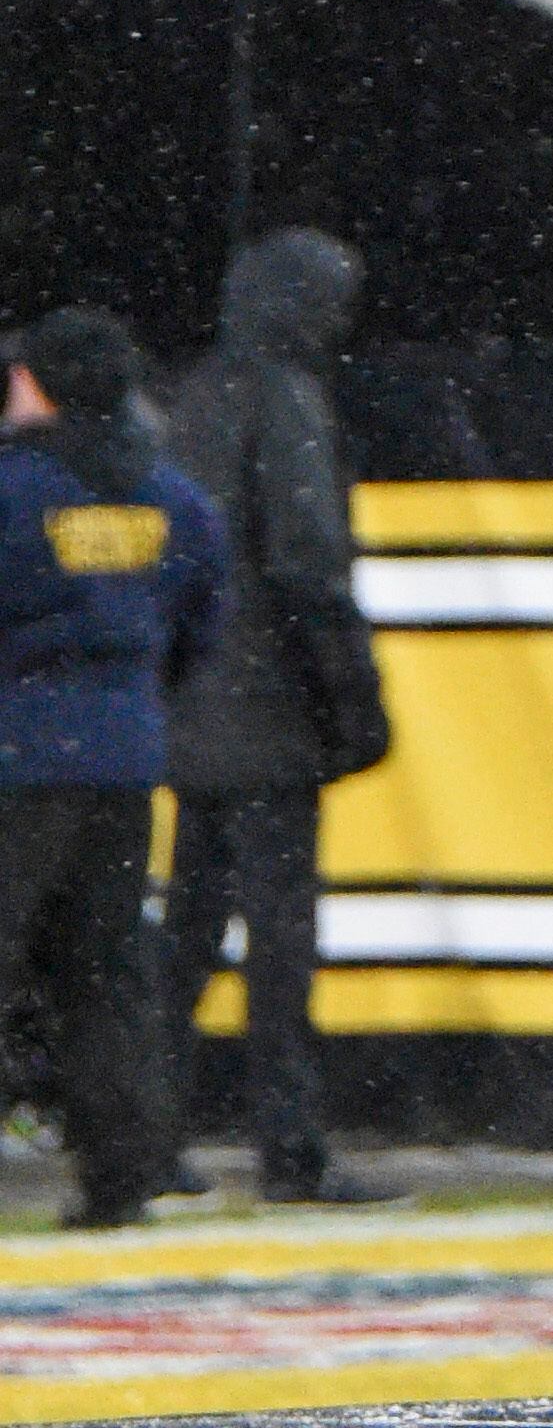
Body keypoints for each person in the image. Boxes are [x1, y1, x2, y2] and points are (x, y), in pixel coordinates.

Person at [156, 230, 396, 1210]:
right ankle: (290, 1149)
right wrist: (356, 696)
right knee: (282, 948)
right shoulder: (290, 397)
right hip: (272, 715)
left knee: (185, 940)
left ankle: (146, 1134)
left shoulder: (195, 394)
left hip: (195, 711)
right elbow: (306, 562)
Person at [0, 306, 225, 1231]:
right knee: (108, 973)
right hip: (127, 760)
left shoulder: (15, 491)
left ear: (39, 385)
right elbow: (201, 619)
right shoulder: (171, 495)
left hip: (17, 758)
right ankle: (122, 1174)